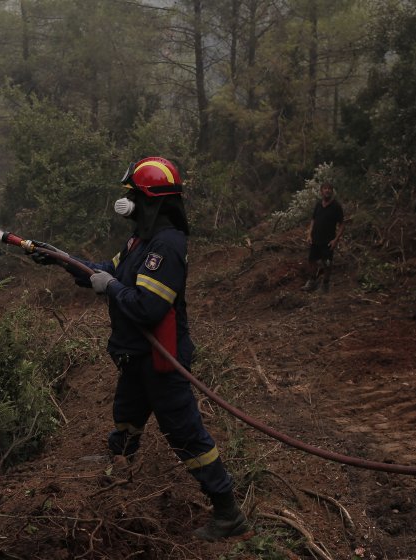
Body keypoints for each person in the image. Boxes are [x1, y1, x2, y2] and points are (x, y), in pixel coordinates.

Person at [26, 157, 250, 541]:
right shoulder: (140, 241)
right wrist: (61, 257)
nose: (126, 204)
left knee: (185, 434)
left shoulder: (167, 245)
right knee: (127, 413)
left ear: (151, 201)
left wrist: (109, 287)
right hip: (135, 356)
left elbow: (148, 306)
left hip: (161, 359)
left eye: (133, 196)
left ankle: (228, 513)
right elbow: (104, 269)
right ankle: (119, 463)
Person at [301, 180, 345, 293]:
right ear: (321, 191)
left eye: (329, 188)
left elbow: (342, 225)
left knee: (327, 263)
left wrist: (336, 240)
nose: (327, 190)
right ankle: (312, 281)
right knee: (312, 261)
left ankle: (325, 285)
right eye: (325, 188)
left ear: (332, 191)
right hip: (315, 239)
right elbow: (313, 220)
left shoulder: (336, 206)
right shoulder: (318, 204)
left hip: (328, 241)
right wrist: (309, 234)